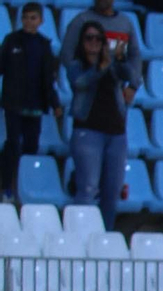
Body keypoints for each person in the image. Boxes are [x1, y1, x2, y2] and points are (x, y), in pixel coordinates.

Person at [66, 20, 136, 230]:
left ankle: (104, 238)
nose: (94, 42)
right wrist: (100, 67)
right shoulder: (76, 65)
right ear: (82, 42)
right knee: (87, 188)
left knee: (112, 191)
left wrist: (120, 60)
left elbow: (131, 76)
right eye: (89, 38)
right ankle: (81, 237)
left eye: (98, 38)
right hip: (88, 132)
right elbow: (80, 83)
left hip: (116, 133)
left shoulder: (112, 65)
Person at [0, 4, 62, 204]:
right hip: (14, 103)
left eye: (33, 18)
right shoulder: (11, 41)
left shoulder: (44, 45)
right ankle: (6, 187)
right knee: (12, 145)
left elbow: (48, 79)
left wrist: (55, 103)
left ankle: (26, 186)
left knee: (31, 147)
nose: (28, 22)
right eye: (25, 18)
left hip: (35, 105)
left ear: (41, 21)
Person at [61, 0, 143, 90]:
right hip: (87, 90)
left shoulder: (125, 23)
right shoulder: (81, 21)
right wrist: (80, 78)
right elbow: (67, 53)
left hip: (116, 90)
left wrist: (132, 87)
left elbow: (135, 55)